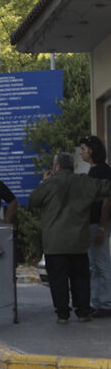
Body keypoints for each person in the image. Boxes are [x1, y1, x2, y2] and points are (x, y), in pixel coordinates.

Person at [29, 152, 111, 324]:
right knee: (80, 278)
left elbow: (34, 200)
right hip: (78, 241)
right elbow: (105, 188)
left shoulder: (49, 183)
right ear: (71, 166)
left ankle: (62, 314)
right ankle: (82, 311)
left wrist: (44, 181)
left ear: (56, 166)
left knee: (58, 280)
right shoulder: (83, 182)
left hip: (55, 242)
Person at [78, 135, 111, 318]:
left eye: (83, 149)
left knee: (101, 262)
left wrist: (101, 226)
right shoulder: (93, 171)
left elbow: (107, 199)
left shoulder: (102, 171)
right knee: (95, 263)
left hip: (98, 222)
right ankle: (98, 301)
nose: (81, 152)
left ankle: (106, 302)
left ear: (91, 150)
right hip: (93, 222)